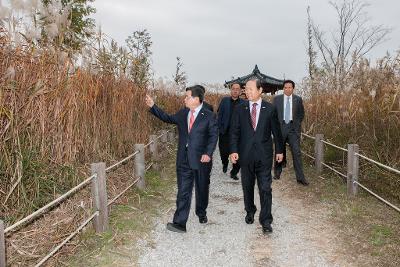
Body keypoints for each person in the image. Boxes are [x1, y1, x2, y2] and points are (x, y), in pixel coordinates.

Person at [145, 85, 218, 233]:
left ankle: (201, 212)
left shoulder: (209, 115)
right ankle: (179, 223)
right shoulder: (183, 113)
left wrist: (208, 153)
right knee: (183, 190)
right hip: (184, 159)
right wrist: (153, 107)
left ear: (196, 99)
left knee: (202, 188)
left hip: (201, 160)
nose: (185, 99)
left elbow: (213, 136)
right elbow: (168, 118)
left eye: (187, 97)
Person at [230, 79, 283, 234]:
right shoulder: (240, 108)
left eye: (251, 89)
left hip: (264, 155)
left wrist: (280, 151)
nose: (247, 92)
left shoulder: (270, 109)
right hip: (245, 155)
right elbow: (234, 132)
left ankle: (266, 220)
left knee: (265, 188)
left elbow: (277, 132)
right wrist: (233, 151)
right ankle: (250, 210)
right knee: (247, 185)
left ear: (260, 90)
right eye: (246, 89)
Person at [272, 80, 309, 186]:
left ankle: (300, 178)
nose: (288, 89)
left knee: (296, 152)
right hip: (281, 127)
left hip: (293, 129)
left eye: (290, 87)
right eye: (286, 87)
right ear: (283, 89)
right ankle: (277, 173)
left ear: (293, 88)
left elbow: (301, 114)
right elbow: (273, 114)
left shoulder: (298, 99)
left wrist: (296, 124)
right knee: (279, 151)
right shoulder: (277, 99)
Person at [217, 82, 244, 179]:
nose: (235, 90)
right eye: (233, 88)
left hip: (238, 134)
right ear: (231, 90)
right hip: (225, 132)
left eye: (237, 89)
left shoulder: (244, 103)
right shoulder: (224, 101)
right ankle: (225, 163)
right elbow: (219, 115)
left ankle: (234, 172)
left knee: (238, 153)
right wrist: (219, 128)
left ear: (240, 91)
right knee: (224, 152)